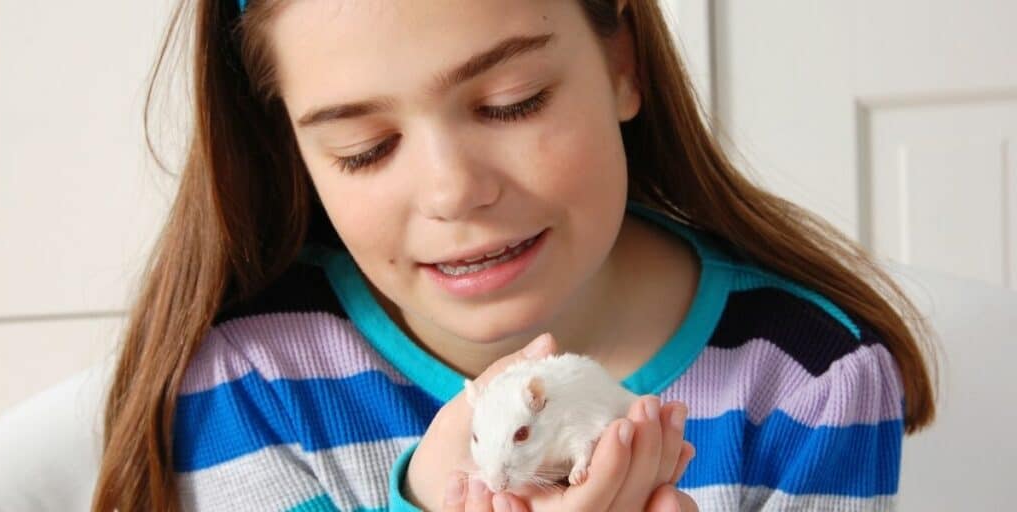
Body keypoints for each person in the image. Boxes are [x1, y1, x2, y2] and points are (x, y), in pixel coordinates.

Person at [91, 0, 938, 510]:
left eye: (511, 103)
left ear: (621, 61)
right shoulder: (251, 384)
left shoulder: (810, 384)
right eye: (364, 147)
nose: (453, 190)